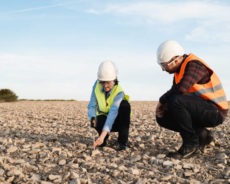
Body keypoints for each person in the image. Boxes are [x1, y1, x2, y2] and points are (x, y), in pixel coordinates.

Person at [155, 40, 228, 159]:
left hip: (215, 112)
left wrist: (161, 101)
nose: (163, 69)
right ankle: (202, 135)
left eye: (164, 65)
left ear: (176, 59)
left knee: (176, 100)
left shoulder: (194, 65)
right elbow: (176, 90)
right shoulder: (179, 72)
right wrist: (164, 106)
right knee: (162, 117)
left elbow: (181, 89)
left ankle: (190, 145)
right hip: (200, 109)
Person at [88, 61, 131, 151]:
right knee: (96, 119)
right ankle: (103, 140)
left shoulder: (119, 92)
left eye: (108, 82)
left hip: (118, 122)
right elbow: (92, 105)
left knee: (125, 106)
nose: (105, 86)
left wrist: (101, 136)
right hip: (103, 117)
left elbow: (112, 113)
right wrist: (92, 118)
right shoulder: (96, 85)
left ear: (114, 80)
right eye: (102, 82)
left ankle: (122, 143)